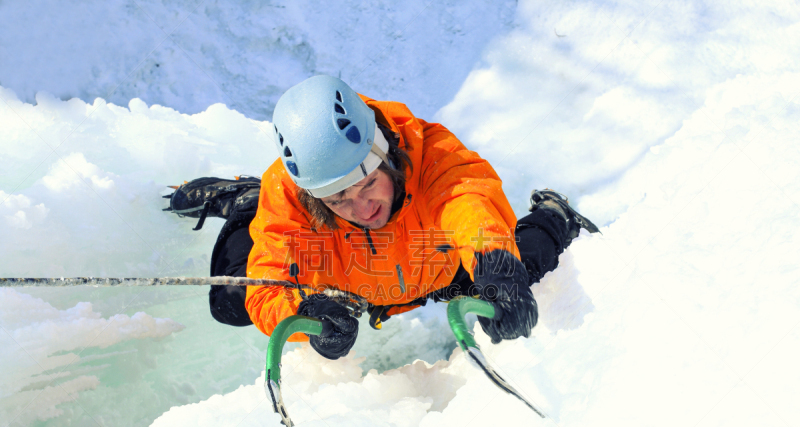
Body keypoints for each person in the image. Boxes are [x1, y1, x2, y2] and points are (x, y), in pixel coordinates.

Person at [164, 75, 598, 359]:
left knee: (516, 273)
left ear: (386, 156)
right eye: (338, 200)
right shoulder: (290, 194)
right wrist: (306, 314)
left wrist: (496, 264)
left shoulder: (430, 151)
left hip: (435, 264)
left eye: (369, 183)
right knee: (231, 303)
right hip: (343, 282)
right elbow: (266, 285)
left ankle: (554, 215)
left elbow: (469, 200)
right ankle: (247, 205)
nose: (363, 208)